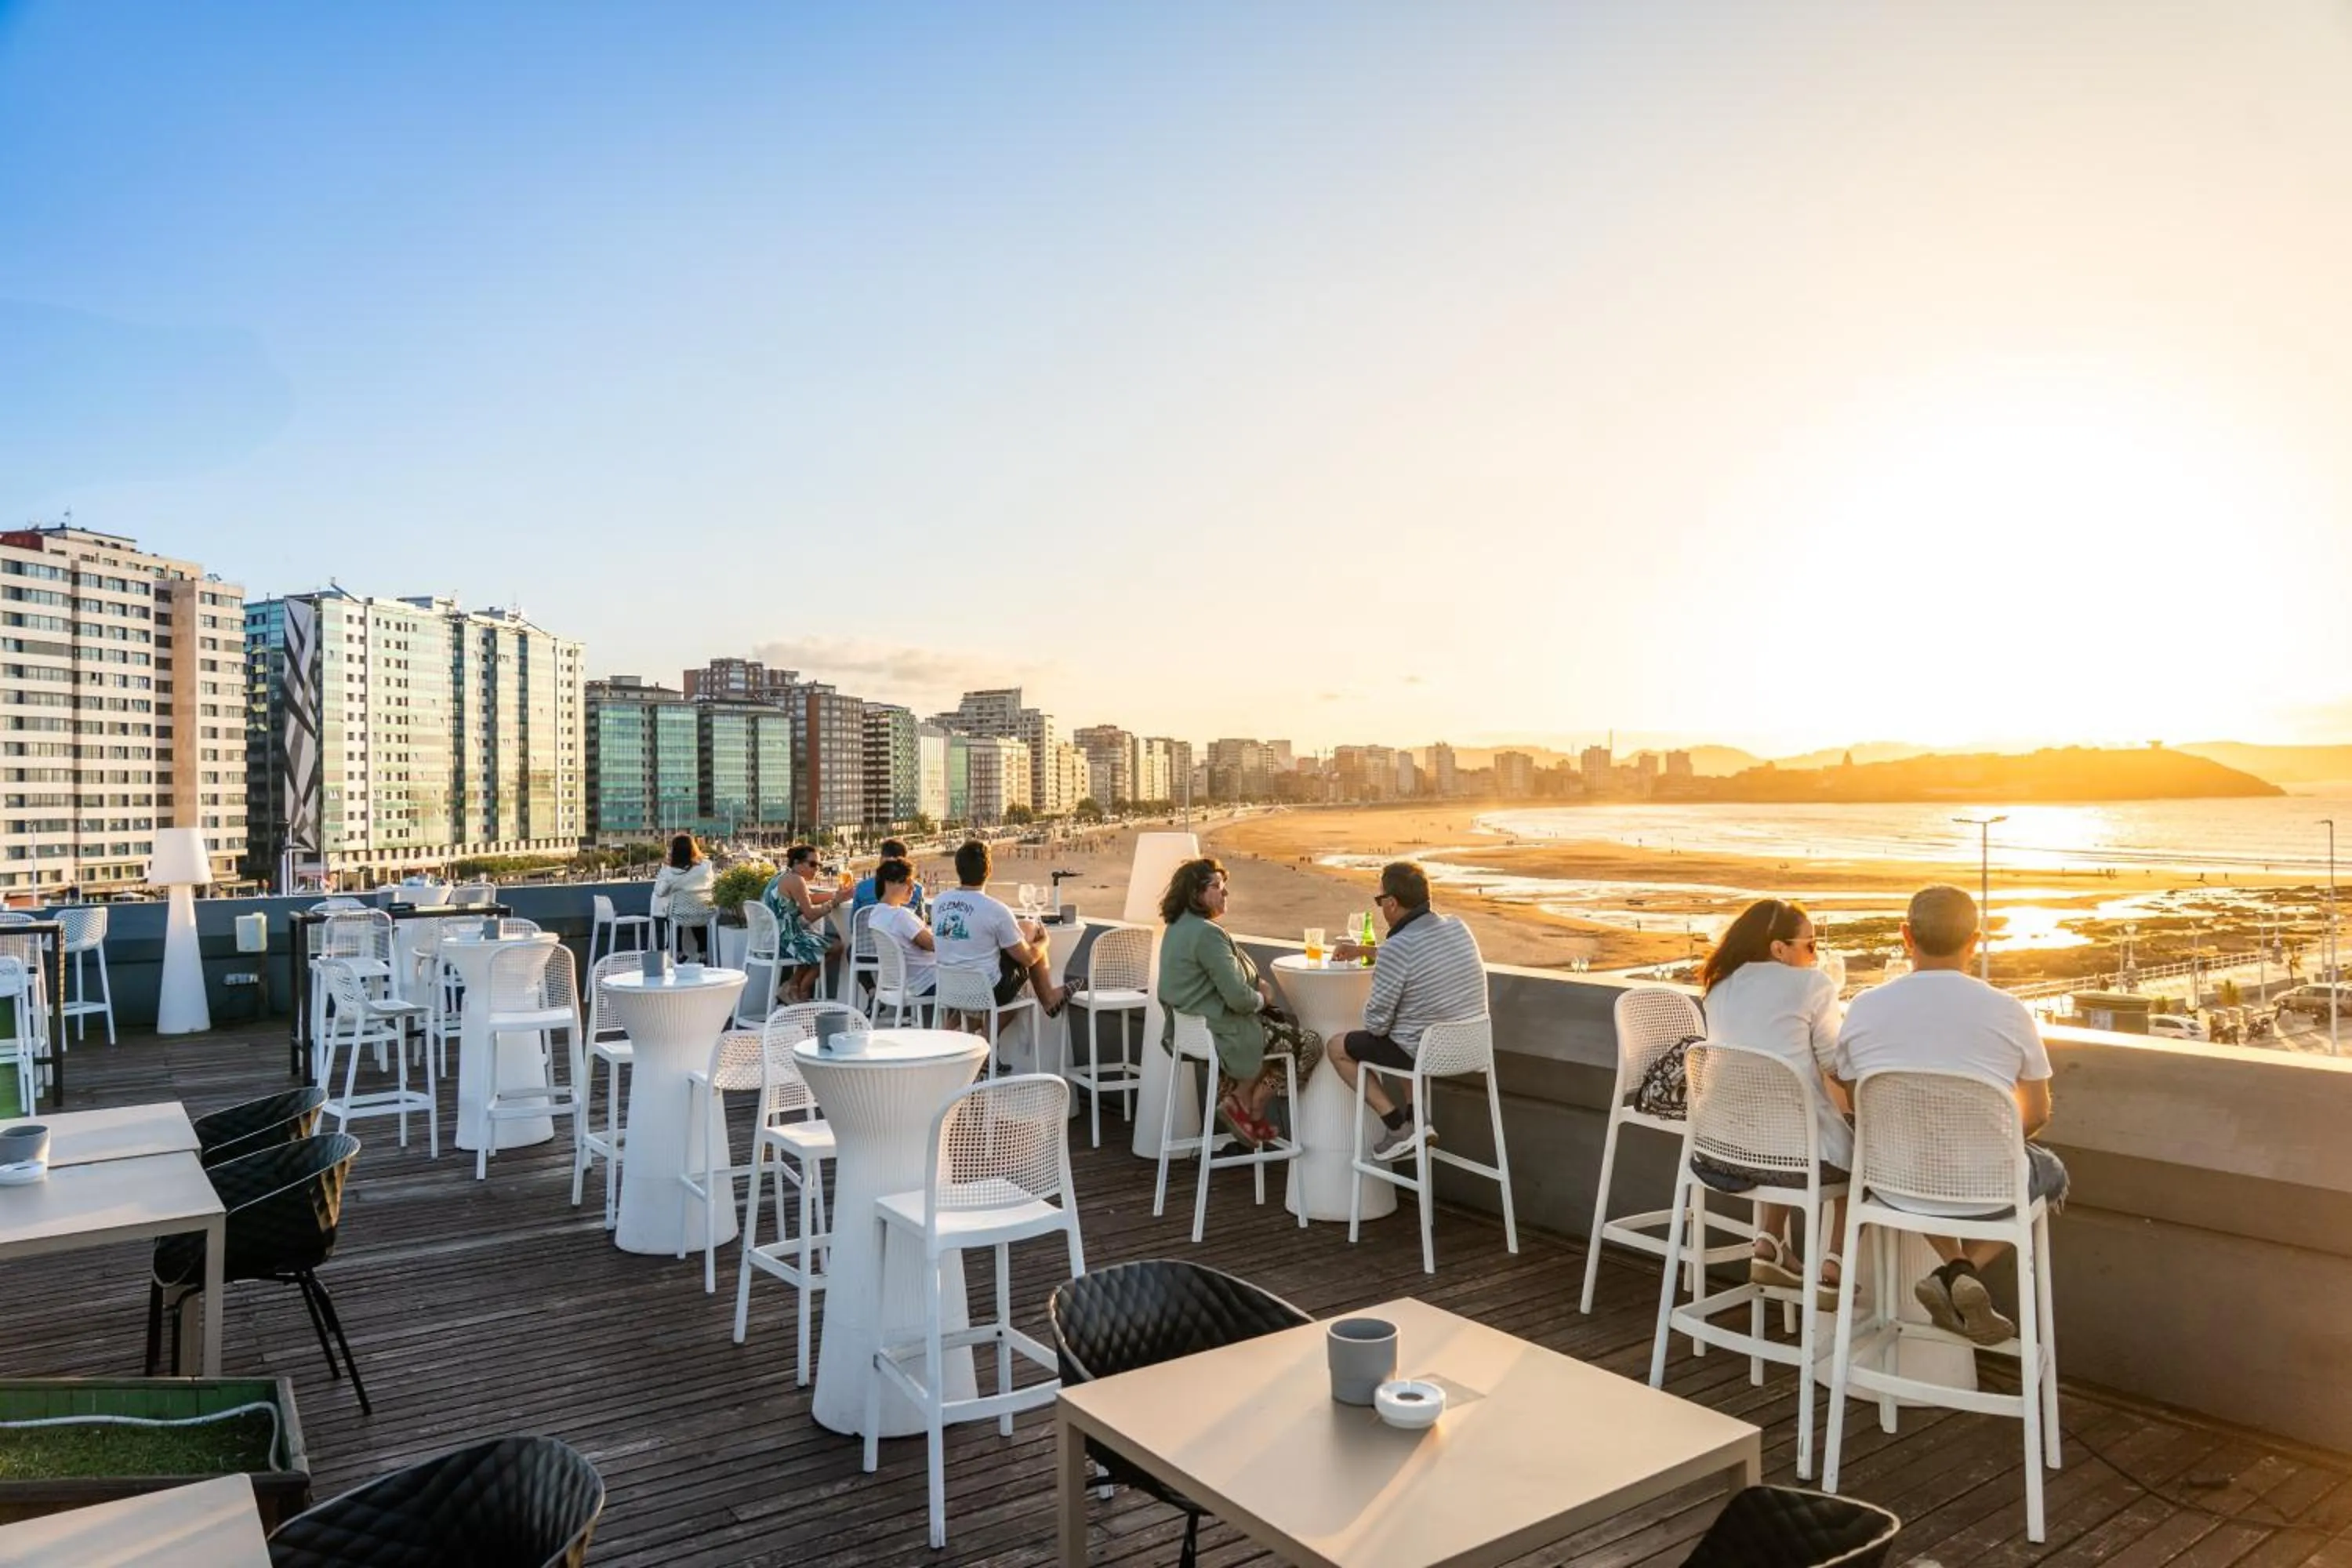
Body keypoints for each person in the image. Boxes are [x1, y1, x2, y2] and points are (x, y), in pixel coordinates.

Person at [1833, 884, 2067, 1346]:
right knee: (2052, 1170)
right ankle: (1960, 1272)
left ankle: (1952, 1273)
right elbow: (2037, 1112)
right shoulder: (2009, 1010)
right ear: (1974, 941)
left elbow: (1862, 1104)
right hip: (1987, 1188)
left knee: (1912, 1157)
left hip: (1891, 1183)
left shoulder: (1863, 1008)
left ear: (1906, 936)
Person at [1694, 898, 1851, 1301]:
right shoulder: (1813, 985)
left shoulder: (1720, 986)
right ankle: (1836, 1268)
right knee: (1862, 1160)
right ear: (1779, 949)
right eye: (1811, 945)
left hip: (1720, 1153)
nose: (1815, 956)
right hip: (1790, 1162)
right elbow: (1838, 1065)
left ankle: (1768, 1242)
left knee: (1782, 1123)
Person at [1324, 861, 1487, 1161]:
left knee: (1337, 1046)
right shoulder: (1458, 926)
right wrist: (1367, 952)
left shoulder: (1397, 948)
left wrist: (1382, 966)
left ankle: (1398, 1127)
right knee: (1408, 1028)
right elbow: (1414, 949)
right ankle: (1419, 1122)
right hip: (1472, 1049)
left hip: (1424, 1054)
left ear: (1391, 903)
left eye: (1380, 900)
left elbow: (1375, 1025)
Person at [1156, 857, 1319, 1148]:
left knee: (1275, 1040)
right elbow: (1239, 999)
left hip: (1191, 1036)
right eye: (1217, 886)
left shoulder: (1176, 928)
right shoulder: (1207, 934)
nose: (1225, 892)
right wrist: (1262, 996)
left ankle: (1244, 1108)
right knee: (1309, 1043)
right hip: (1223, 1036)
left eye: (1225, 886)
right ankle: (1249, 1104)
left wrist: (1254, 984)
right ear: (1196, 893)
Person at [928, 839, 1070, 1018]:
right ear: (989, 870)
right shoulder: (996, 909)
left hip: (950, 988)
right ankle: (1049, 998)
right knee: (1026, 952)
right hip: (986, 992)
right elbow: (1028, 959)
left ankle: (961, 1034)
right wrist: (1044, 942)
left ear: (958, 869)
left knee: (1012, 938)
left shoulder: (940, 901)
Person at [763, 844, 850, 1003]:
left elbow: (808, 898)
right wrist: (834, 903)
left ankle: (792, 987)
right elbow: (810, 915)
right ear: (797, 863)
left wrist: (835, 895)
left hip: (770, 939)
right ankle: (799, 988)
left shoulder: (782, 877)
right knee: (835, 947)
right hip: (785, 942)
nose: (816, 869)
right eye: (812, 864)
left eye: (819, 865)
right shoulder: (796, 880)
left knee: (816, 944)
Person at [865, 856, 936, 1006]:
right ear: (889, 883)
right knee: (975, 983)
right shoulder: (900, 916)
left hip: (906, 983)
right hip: (927, 982)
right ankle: (954, 1027)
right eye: (908, 882)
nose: (913, 888)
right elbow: (932, 945)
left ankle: (952, 1025)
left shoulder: (876, 914)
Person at [650, 833, 715, 960]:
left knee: (674, 915)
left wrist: (664, 872)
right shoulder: (706, 866)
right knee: (697, 909)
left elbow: (660, 892)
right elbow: (712, 883)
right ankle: (704, 952)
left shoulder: (671, 872)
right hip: (705, 913)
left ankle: (678, 951)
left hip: (680, 915)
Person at [851, 839, 925, 913]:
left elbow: (854, 921)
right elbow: (921, 922)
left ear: (881, 860)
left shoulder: (862, 888)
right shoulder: (916, 890)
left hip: (871, 925)